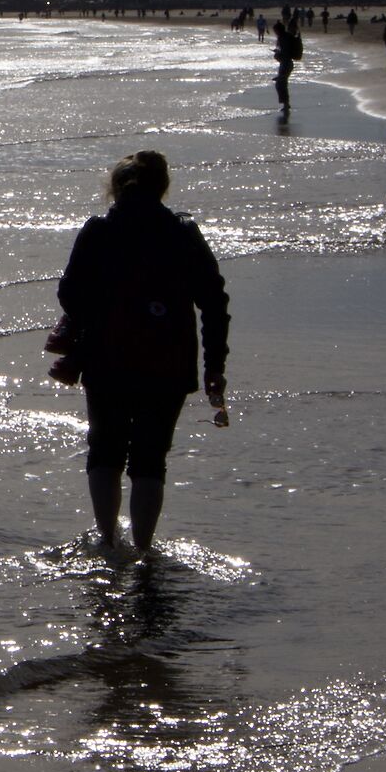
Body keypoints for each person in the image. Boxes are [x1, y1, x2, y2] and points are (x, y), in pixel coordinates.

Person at [55, 150, 230, 555]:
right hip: (169, 360)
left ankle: (107, 539)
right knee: (151, 457)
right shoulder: (183, 232)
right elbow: (215, 302)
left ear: (115, 187)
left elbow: (69, 294)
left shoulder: (98, 231)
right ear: (163, 187)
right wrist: (214, 366)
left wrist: (99, 310)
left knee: (105, 448)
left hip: (106, 356)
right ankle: (144, 548)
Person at [273, 16, 302, 114]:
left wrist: (277, 54)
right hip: (287, 63)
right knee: (282, 83)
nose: (275, 33)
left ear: (278, 30)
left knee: (281, 84)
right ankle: (286, 104)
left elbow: (285, 54)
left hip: (286, 63)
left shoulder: (283, 38)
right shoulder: (286, 37)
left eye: (275, 31)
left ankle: (286, 104)